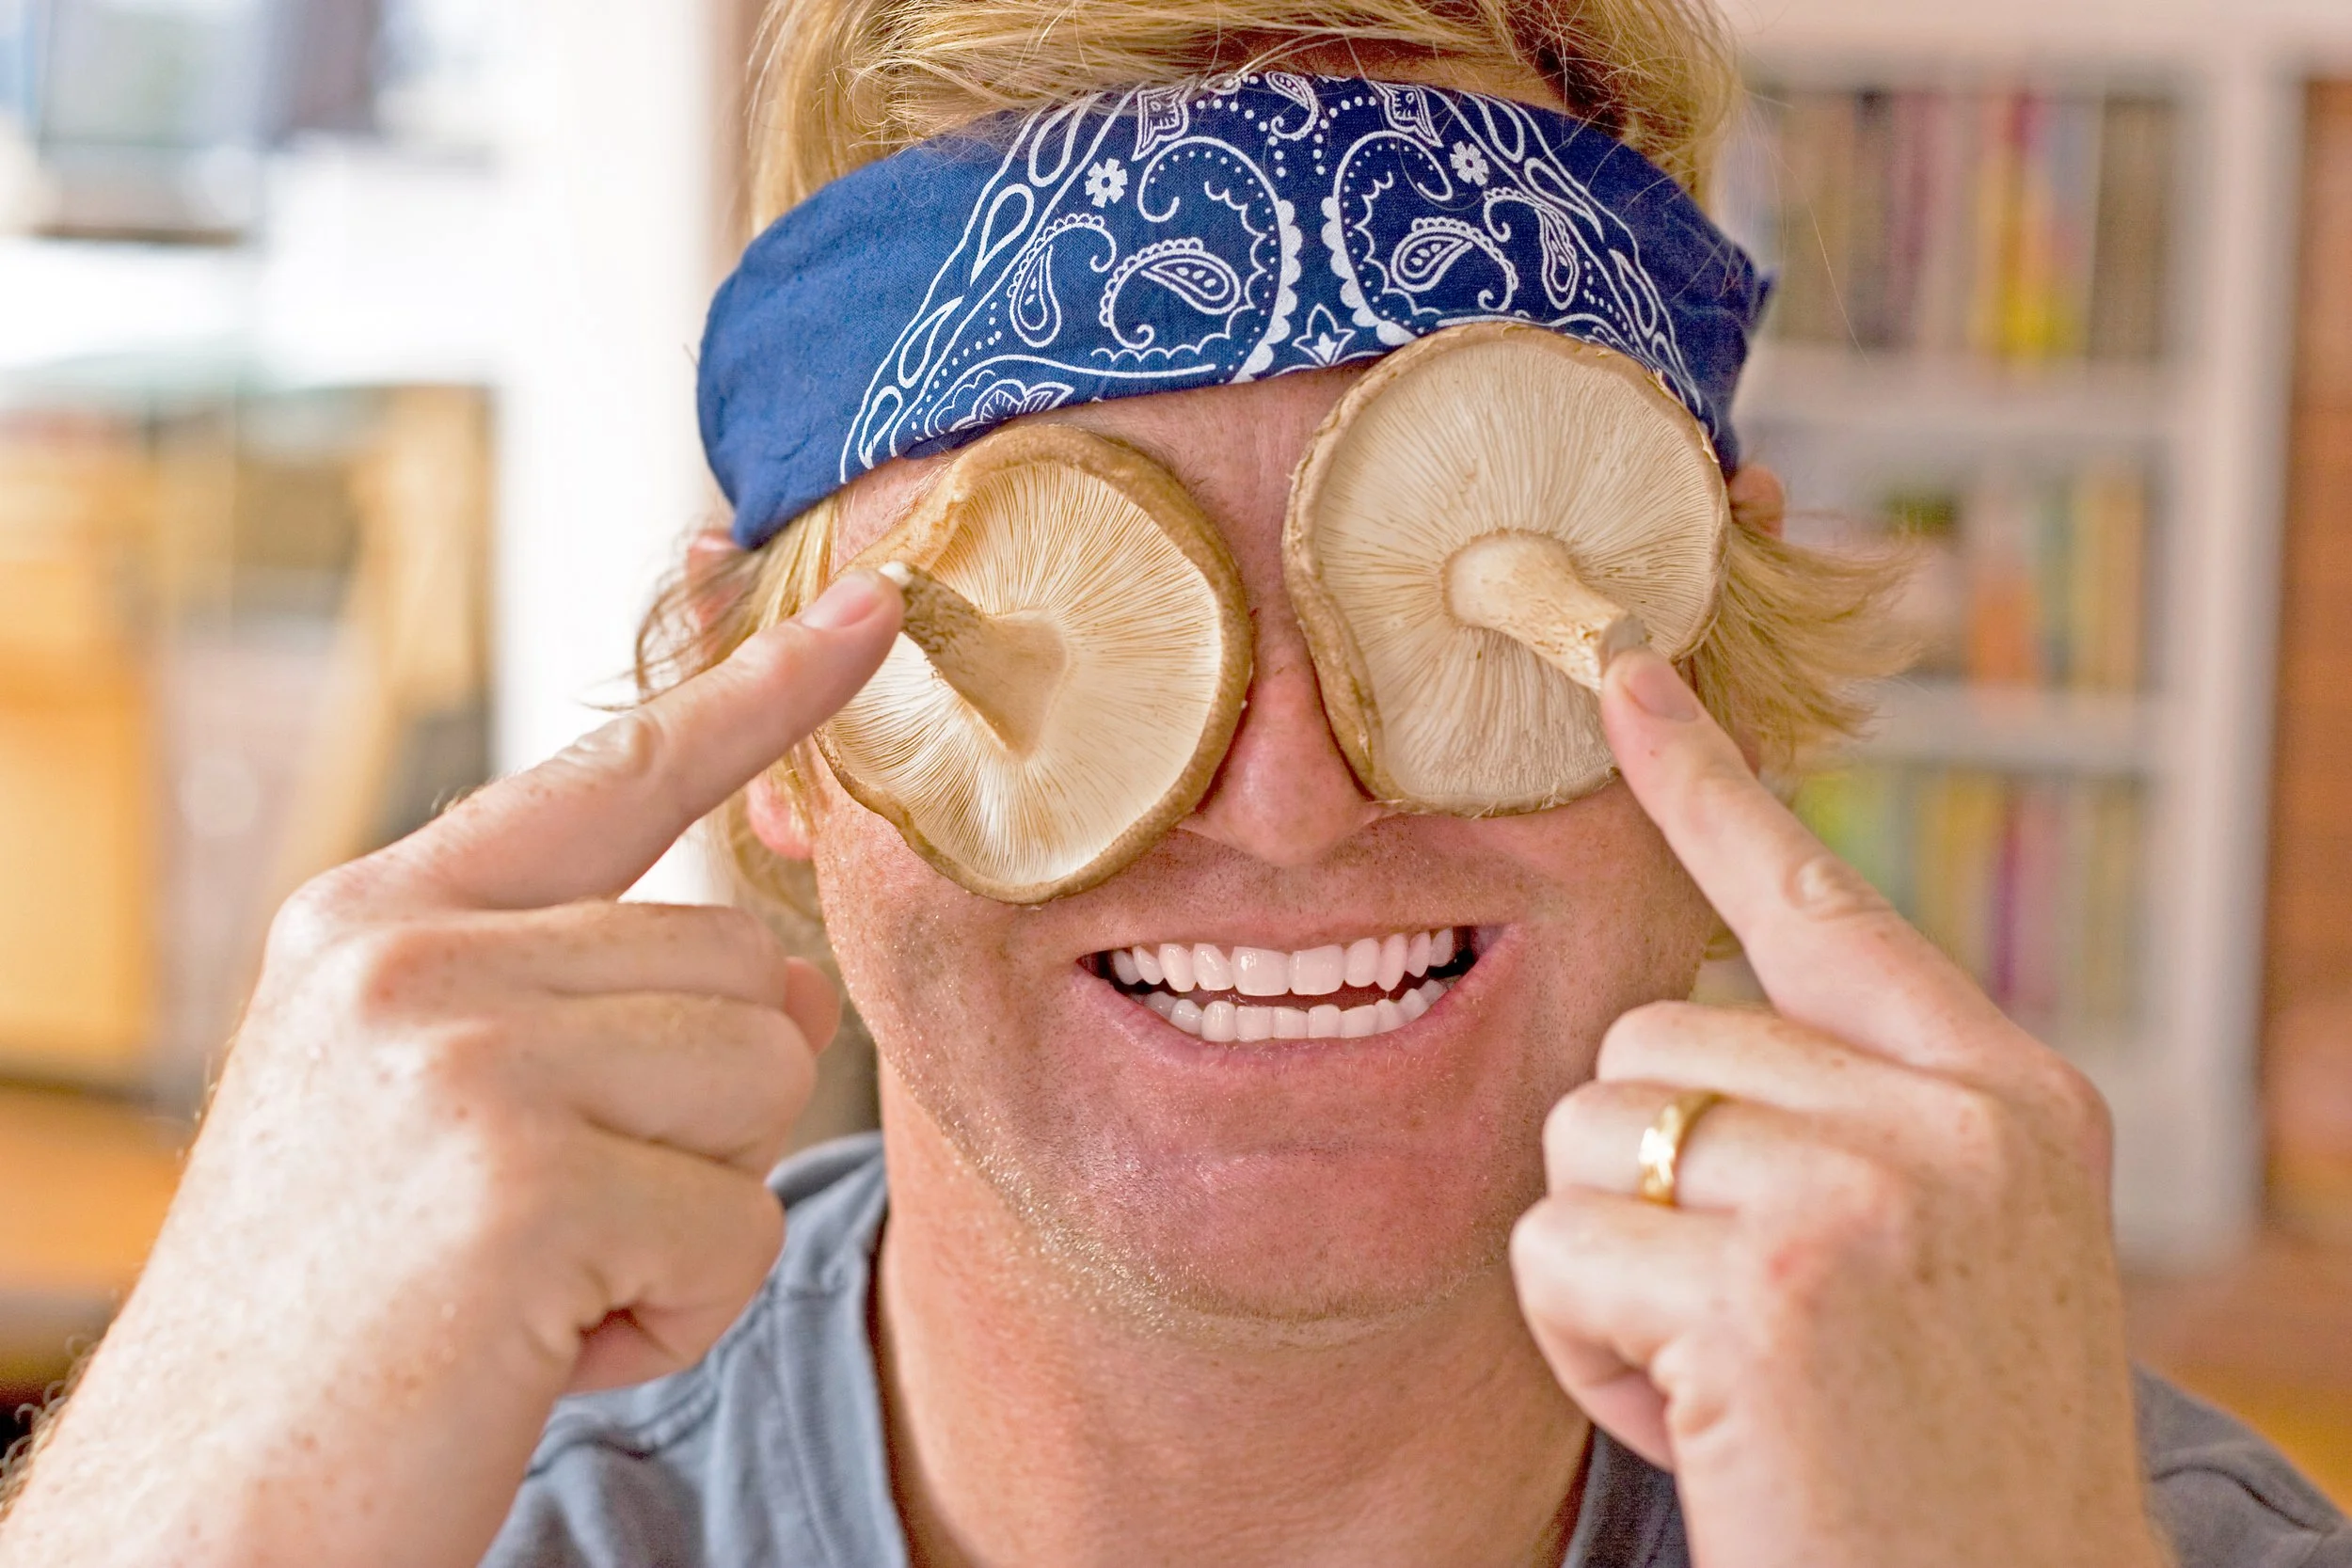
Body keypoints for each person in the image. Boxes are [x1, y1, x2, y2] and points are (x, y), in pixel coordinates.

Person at [3, 4, 2348, 1566]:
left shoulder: (2081, 1527)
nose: (1292, 801)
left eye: (1487, 605)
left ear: (1701, 651)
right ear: (773, 716)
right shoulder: (394, 1516)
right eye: (1050, 616)